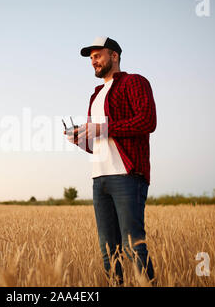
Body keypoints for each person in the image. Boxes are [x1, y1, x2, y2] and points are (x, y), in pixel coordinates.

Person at [65, 36, 156, 284]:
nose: (93, 61)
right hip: (99, 178)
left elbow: (147, 121)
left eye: (98, 55)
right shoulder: (95, 95)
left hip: (127, 176)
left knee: (132, 246)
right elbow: (100, 144)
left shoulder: (134, 82)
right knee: (108, 252)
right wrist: (80, 140)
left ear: (113, 56)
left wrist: (100, 128)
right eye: (91, 58)